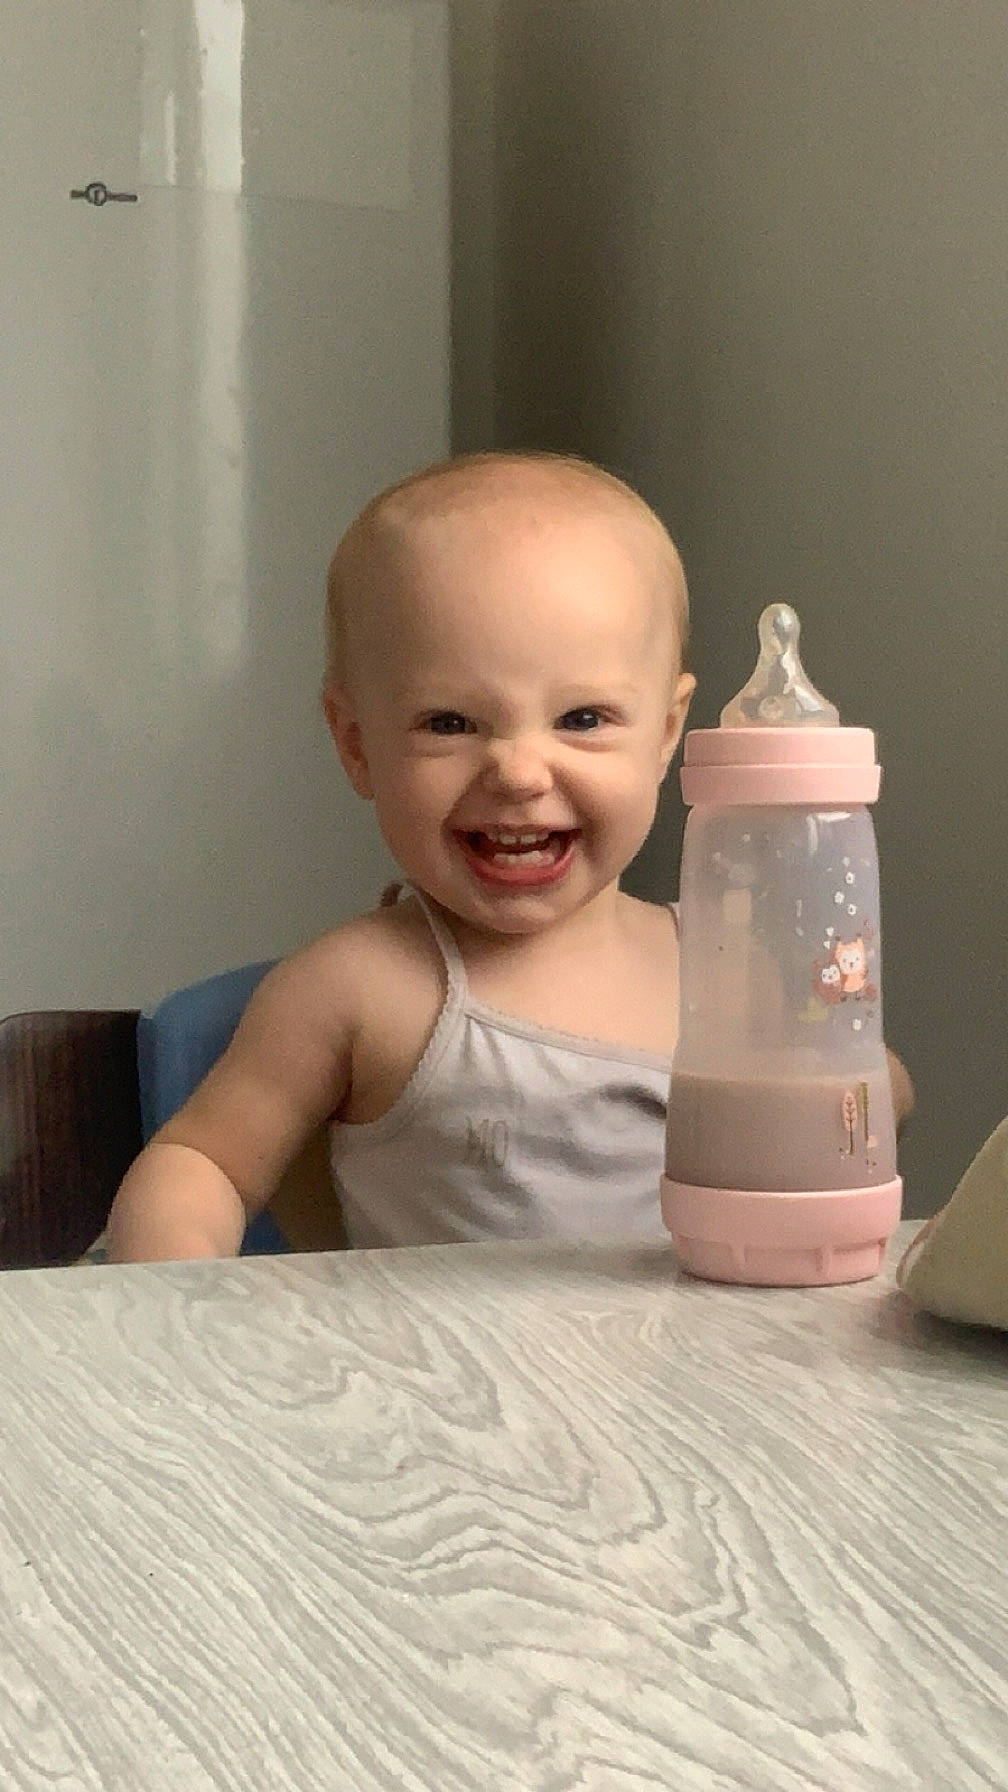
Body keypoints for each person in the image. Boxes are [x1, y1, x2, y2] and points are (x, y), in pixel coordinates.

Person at [105, 451, 914, 1260]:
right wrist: (177, 1302)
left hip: (690, 1379)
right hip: (443, 1384)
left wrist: (857, 1085)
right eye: (450, 724)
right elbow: (202, 1162)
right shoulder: (357, 987)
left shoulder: (725, 966)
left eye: (585, 718)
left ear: (667, 734)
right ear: (357, 746)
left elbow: (863, 1098)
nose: (520, 773)